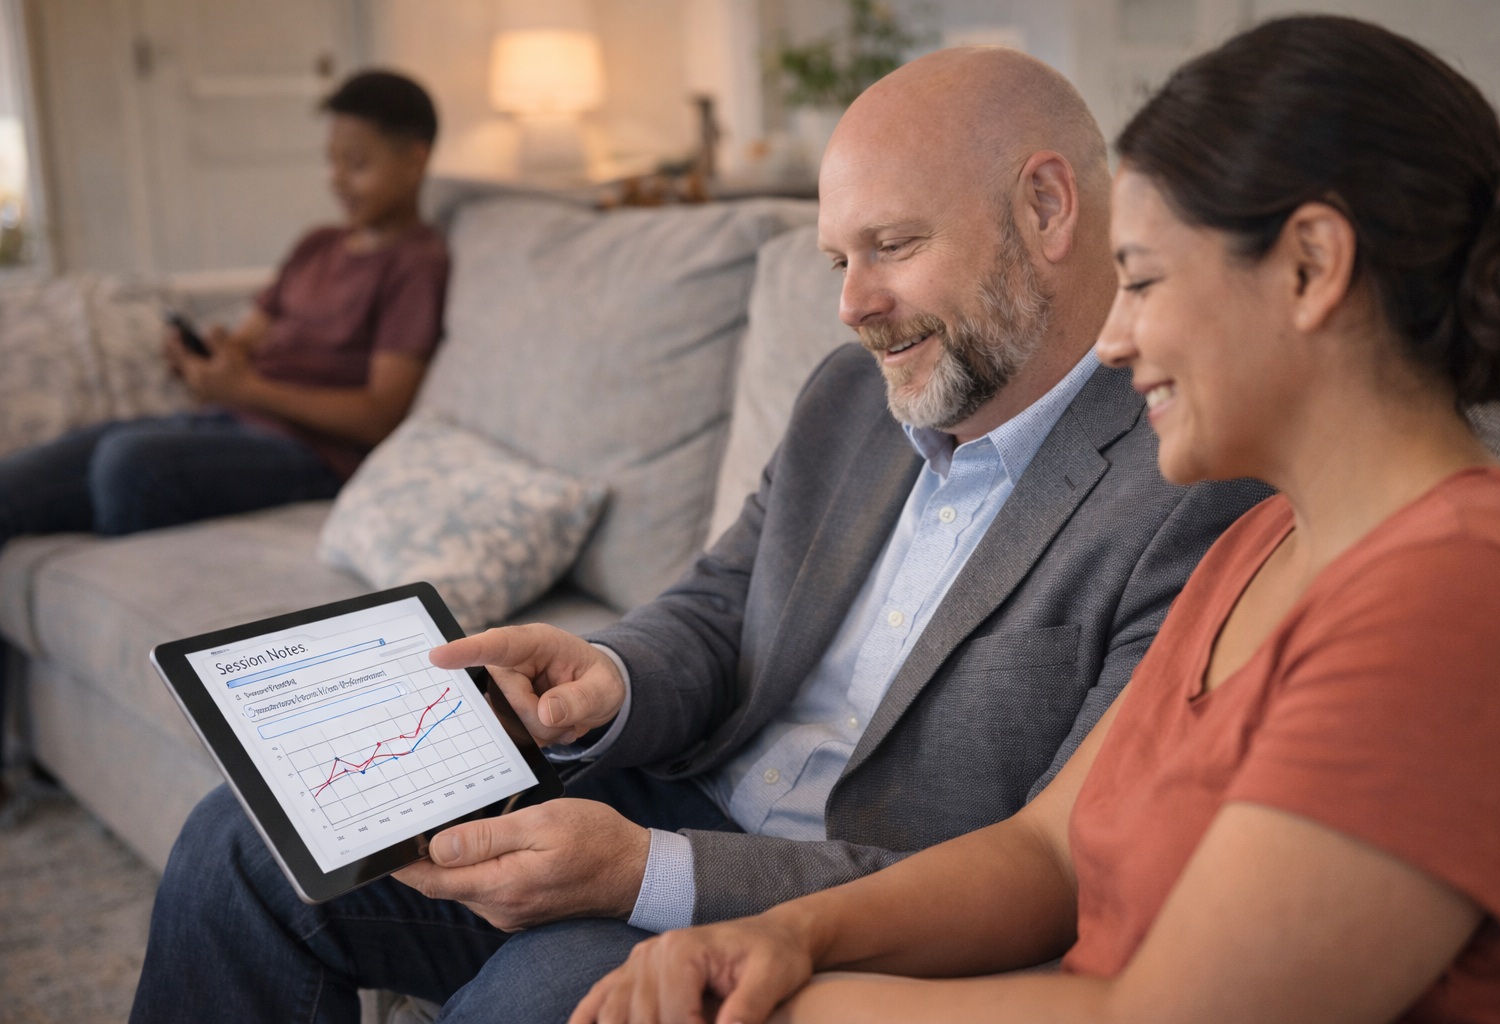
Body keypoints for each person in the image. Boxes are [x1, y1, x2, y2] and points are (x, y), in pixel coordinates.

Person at [129, 48, 1267, 1024]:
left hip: (835, 902)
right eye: (837, 260)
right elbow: (722, 599)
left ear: (1048, 208)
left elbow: (1044, 868)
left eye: (893, 245)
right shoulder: (851, 394)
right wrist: (609, 679)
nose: (852, 305)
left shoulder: (1190, 484)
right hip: (668, 794)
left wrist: (645, 875)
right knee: (243, 847)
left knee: (544, 992)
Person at [572, 15, 1500, 1024]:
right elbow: (1045, 849)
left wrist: (776, 1004)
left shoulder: (1462, 597)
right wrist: (784, 935)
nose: (1112, 339)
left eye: (1146, 280)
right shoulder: (1267, 544)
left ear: (1309, 266)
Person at [0, 69, 449, 810]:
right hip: (218, 422)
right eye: (332, 158)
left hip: (306, 452)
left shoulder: (416, 265)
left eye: (359, 162)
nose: (339, 178)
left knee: (126, 464)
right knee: (15, 486)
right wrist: (214, 360)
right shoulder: (317, 246)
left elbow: (379, 415)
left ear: (416, 159)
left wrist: (246, 391)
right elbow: (247, 342)